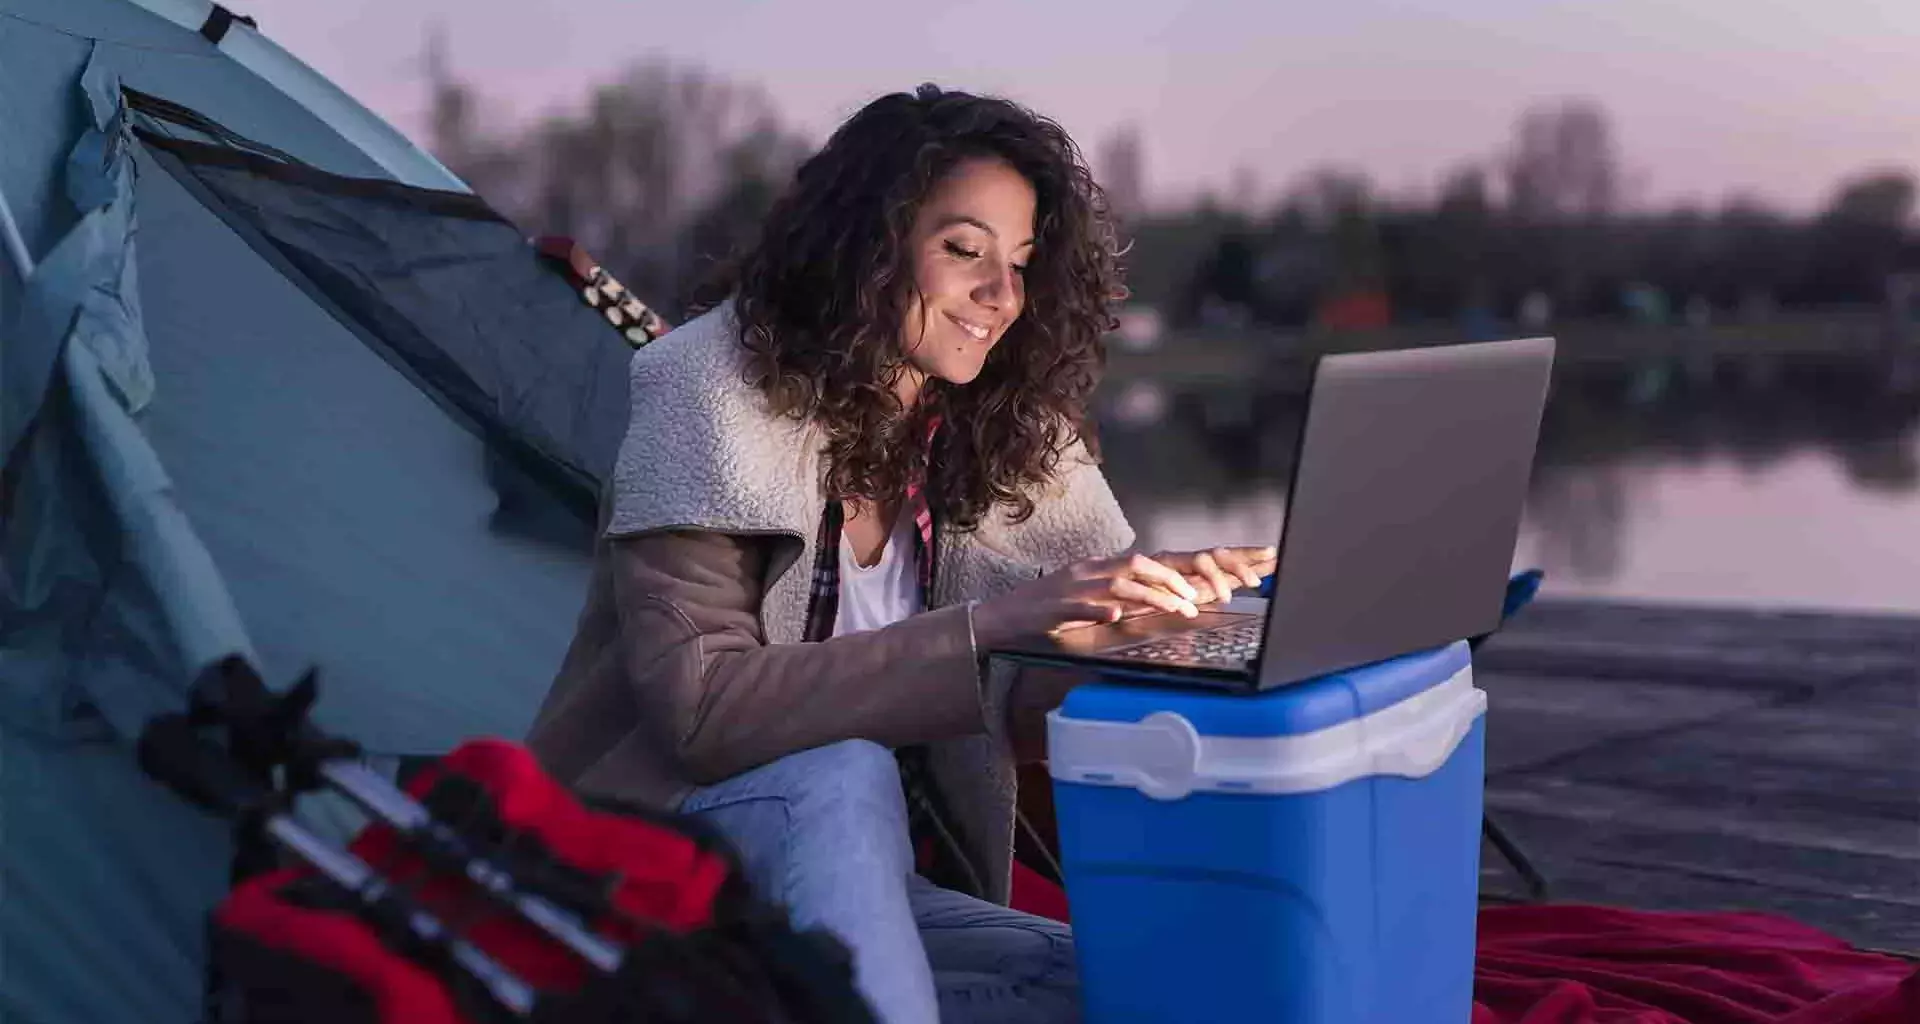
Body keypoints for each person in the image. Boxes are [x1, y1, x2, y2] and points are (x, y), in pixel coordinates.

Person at [526, 84, 1273, 1024]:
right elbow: (702, 711)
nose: (1001, 297)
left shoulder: (1005, 426)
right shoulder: (711, 389)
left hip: (857, 877)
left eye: (1023, 262)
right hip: (655, 858)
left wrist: (1150, 632)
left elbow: (1029, 707)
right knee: (842, 770)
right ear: (867, 246)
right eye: (963, 250)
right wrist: (996, 625)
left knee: (1156, 994)